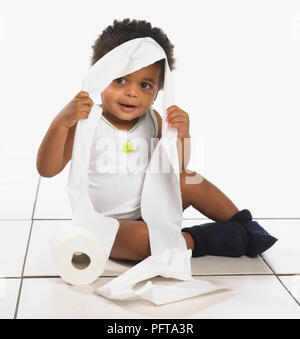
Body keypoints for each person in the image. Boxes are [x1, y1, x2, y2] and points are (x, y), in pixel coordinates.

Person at [36, 18, 277, 262]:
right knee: (142, 239)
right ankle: (208, 239)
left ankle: (245, 226)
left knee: (190, 180)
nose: (132, 92)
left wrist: (183, 136)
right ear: (100, 75)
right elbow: (47, 169)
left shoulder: (153, 120)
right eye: (120, 80)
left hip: (151, 208)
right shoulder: (87, 122)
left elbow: (174, 168)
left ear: (159, 89)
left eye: (145, 85)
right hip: (108, 226)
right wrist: (61, 122)